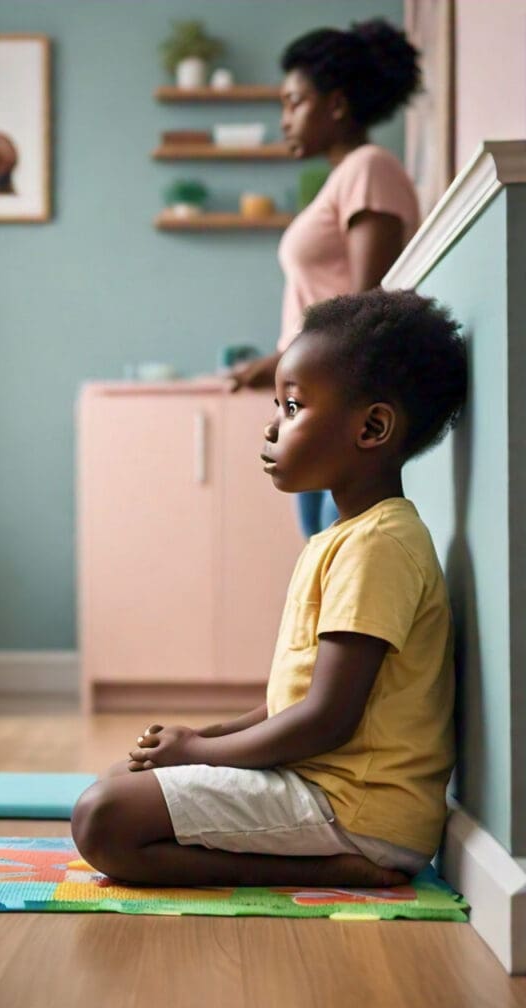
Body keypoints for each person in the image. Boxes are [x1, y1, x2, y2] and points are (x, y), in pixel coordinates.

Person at [71, 288, 467, 890]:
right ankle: (324, 858)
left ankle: (344, 868)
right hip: (326, 788)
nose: (272, 425)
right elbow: (299, 704)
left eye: (292, 406)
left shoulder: (379, 545)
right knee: (115, 784)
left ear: (373, 427)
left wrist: (199, 756)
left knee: (102, 819)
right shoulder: (349, 536)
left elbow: (326, 720)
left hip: (354, 808)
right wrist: (204, 737)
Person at [230, 19, 423, 538]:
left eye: (295, 102)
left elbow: (365, 303)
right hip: (320, 398)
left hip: (340, 402)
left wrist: (277, 362)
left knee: (338, 554)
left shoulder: (370, 167)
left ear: (336, 104)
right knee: (323, 553)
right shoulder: (347, 176)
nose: (285, 119)